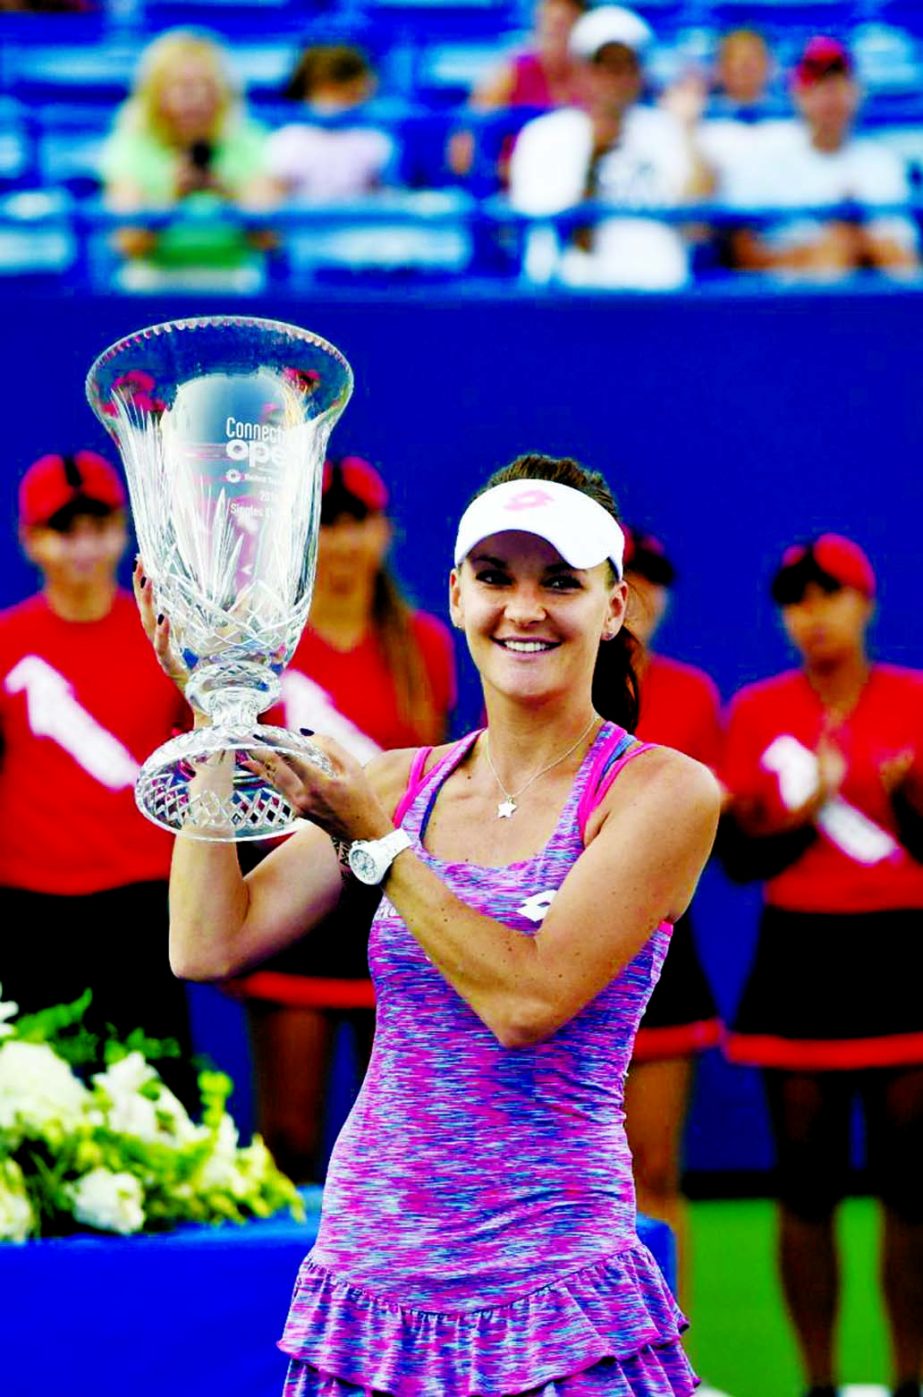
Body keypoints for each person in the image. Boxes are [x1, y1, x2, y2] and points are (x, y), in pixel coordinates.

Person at [140, 449, 720, 1395]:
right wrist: (216, 716)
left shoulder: (661, 791)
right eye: (494, 578)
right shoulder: (396, 781)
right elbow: (206, 943)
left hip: (556, 1283)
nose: (523, 609)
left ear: (614, 607)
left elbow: (528, 998)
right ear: (454, 594)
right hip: (370, 1283)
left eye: (560, 583)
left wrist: (381, 847)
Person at [720, 534, 923, 1397]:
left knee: (912, 1189)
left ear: (863, 603)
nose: (813, 614)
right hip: (798, 959)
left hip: (900, 956)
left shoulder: (913, 699)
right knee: (804, 1187)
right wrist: (803, 811)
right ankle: (817, 1383)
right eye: (796, 598)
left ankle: (910, 1378)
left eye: (829, 593)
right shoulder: (760, 710)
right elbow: (738, 863)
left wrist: (908, 798)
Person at [232, 456, 456, 1183]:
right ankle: (282, 1294)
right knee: (289, 1136)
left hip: (390, 893)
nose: (344, 540)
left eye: (357, 521)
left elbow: (440, 772)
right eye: (327, 522)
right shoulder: (263, 644)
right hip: (297, 897)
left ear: (384, 532)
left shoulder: (420, 642)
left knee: (394, 1140)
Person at [0, 450, 196, 1101]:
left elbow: (199, 768)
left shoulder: (165, 636)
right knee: (32, 1108)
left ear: (123, 529)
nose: (84, 546)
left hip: (142, 904)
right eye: (64, 529)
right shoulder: (7, 641)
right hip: (29, 908)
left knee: (158, 1101)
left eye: (99, 525)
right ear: (31, 541)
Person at [594, 527, 721, 1301]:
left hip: (660, 947)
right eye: (626, 575)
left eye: (653, 578)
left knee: (654, 1167)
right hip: (553, 935)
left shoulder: (691, 693)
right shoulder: (547, 683)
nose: (642, 592)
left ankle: (671, 1362)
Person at [509, 5, 715, 289]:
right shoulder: (544, 136)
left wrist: (689, 134)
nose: (615, 79)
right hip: (570, 301)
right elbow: (557, 235)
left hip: (657, 299)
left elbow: (698, 227)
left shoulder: (667, 130)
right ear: (580, 70)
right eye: (603, 67)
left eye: (626, 66)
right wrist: (597, 152)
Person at [723, 37, 920, 278]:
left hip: (872, 298)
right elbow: (742, 254)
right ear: (798, 94)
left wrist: (857, 238)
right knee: (833, 251)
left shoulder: (883, 163)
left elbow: (903, 260)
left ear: (856, 92)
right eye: (818, 86)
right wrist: (813, 254)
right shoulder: (764, 155)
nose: (830, 97)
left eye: (838, 85)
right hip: (787, 301)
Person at [99, 28, 275, 284]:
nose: (194, 98)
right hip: (152, 282)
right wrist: (172, 198)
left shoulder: (250, 140)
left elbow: (269, 239)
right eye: (181, 87)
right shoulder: (129, 145)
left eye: (204, 86)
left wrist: (226, 193)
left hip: (234, 279)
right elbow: (128, 243)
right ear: (155, 93)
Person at [447, 0, 588, 186]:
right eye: (550, 28)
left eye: (566, 28)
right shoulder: (510, 74)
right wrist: (524, 172)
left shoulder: (598, 78)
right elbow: (462, 159)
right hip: (510, 198)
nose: (557, 38)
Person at [266, 45, 399, 203]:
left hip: (359, 225)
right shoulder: (287, 141)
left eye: (354, 96)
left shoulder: (375, 141)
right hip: (301, 226)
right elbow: (271, 203)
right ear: (313, 87)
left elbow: (385, 198)